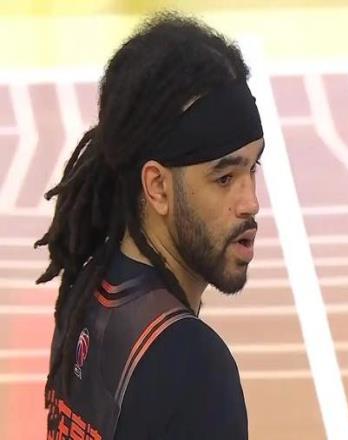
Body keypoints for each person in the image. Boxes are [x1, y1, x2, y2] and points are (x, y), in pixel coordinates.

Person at [37, 11, 264, 440]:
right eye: (224, 178)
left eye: (254, 168)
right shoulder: (196, 370)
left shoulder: (88, 290)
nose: (250, 202)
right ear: (157, 186)